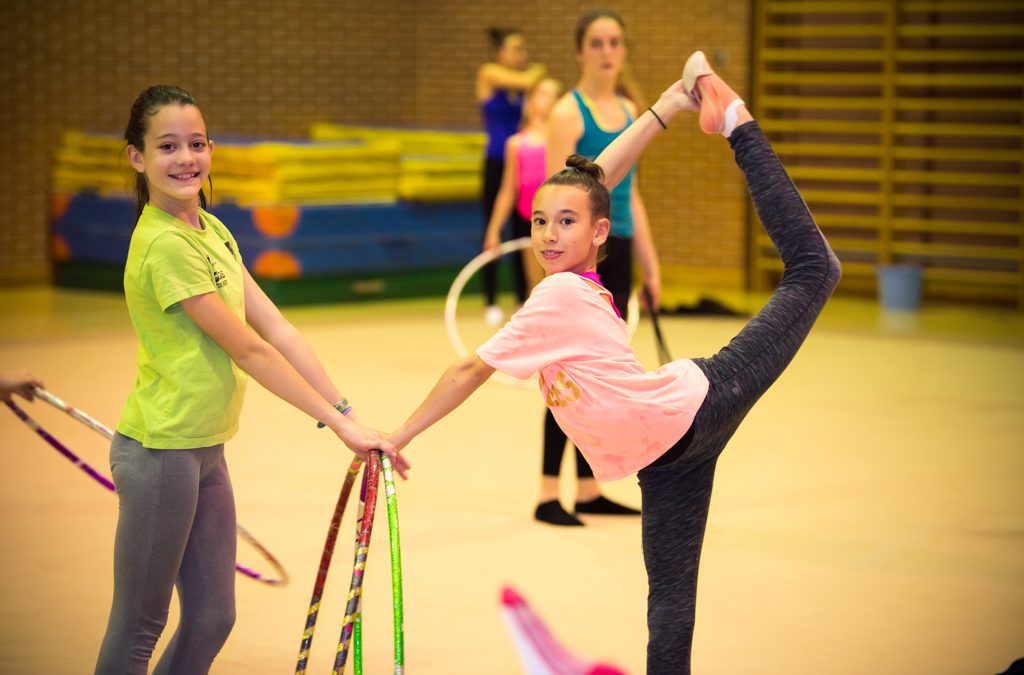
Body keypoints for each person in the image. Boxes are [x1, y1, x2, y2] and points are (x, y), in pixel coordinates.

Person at [387, 52, 841, 673]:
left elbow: (470, 369)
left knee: (815, 270)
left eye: (566, 223)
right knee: (670, 606)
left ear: (600, 233)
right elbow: (595, 186)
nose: (548, 234)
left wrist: (398, 435)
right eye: (541, 221)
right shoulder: (579, 272)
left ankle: (738, 121)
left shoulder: (560, 293)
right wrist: (669, 105)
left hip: (701, 402)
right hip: (665, 462)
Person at [94, 85, 403, 675]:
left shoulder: (210, 229)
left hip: (206, 450)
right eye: (167, 146)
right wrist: (338, 427)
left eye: (197, 143)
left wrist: (345, 410)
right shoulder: (163, 244)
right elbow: (249, 350)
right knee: (139, 626)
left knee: (213, 618)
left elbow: (279, 330)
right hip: (161, 450)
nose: (186, 158)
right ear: (136, 157)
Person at [535, 8, 655, 525]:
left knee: (601, 374)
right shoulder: (567, 112)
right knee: (566, 372)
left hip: (620, 246)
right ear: (580, 51)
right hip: (583, 259)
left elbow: (633, 194)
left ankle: (587, 490)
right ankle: (546, 494)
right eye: (597, 43)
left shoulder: (630, 109)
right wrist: (554, 265)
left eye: (615, 43)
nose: (607, 52)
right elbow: (551, 198)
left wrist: (652, 265)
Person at [477, 27, 547, 326]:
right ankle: (490, 298)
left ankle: (523, 296)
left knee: (525, 230)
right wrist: (536, 75)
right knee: (492, 229)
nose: (522, 55)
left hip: (526, 160)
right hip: (497, 159)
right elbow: (534, 79)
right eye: (516, 49)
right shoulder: (489, 73)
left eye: (524, 50)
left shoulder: (525, 86)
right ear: (499, 52)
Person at [482, 77, 562, 294]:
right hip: (529, 221)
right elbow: (508, 191)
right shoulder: (516, 144)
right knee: (536, 288)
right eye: (544, 94)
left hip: (557, 222)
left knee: (557, 284)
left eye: (555, 96)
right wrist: (493, 230)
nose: (550, 101)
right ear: (531, 100)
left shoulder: (561, 140)